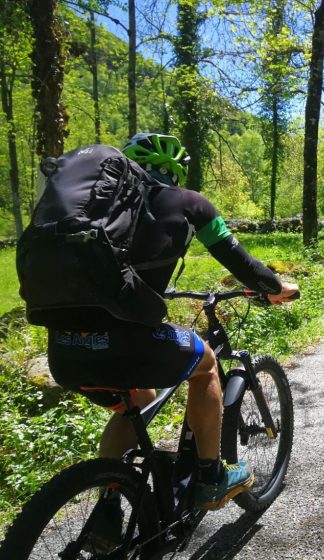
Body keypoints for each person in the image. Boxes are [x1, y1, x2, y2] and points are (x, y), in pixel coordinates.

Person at [45, 133, 299, 519]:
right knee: (207, 363)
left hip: (65, 351)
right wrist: (276, 287)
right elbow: (238, 260)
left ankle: (108, 509)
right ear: (175, 172)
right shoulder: (188, 202)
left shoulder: (98, 212)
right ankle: (211, 476)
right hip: (126, 342)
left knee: (138, 401)